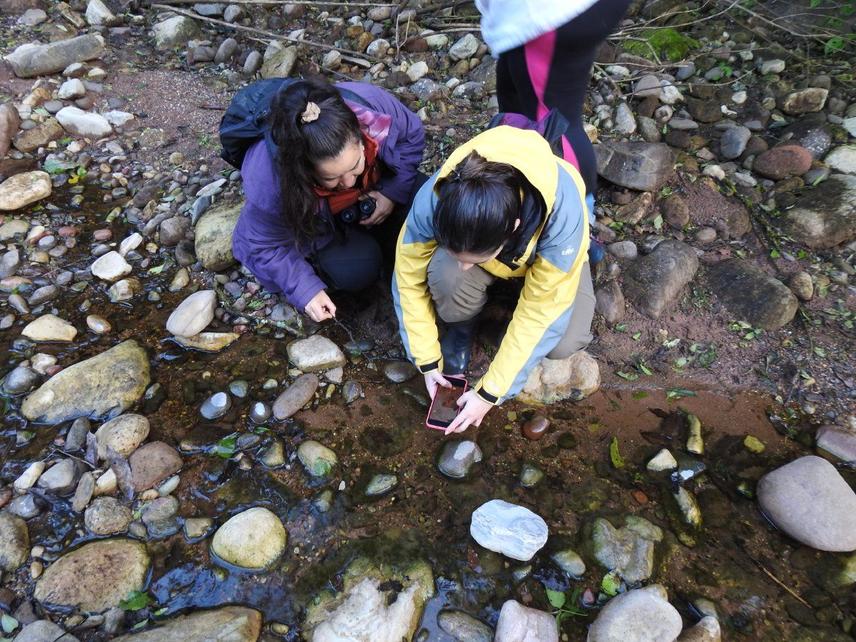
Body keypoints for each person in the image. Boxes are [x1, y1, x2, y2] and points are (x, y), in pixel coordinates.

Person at [393, 126, 595, 434]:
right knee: (446, 274)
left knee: (564, 341)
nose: (463, 267)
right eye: (457, 253)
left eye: (472, 259)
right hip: (501, 257)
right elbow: (407, 275)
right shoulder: (436, 197)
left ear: (513, 228)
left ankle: (561, 269)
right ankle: (460, 333)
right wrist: (426, 361)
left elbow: (542, 312)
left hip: (547, 263)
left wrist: (490, 393)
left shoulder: (562, 218)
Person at [232, 78, 425, 322]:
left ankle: (384, 238)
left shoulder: (373, 107)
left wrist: (391, 192)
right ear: (306, 170)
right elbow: (262, 244)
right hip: (320, 224)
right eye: (332, 178)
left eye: (355, 166)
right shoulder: (271, 182)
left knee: (427, 198)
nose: (348, 183)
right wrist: (306, 290)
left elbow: (413, 135)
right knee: (357, 270)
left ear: (361, 135)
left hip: (378, 189)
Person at [476, 0, 632, 250]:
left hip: (550, 14)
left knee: (554, 120)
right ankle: (517, 192)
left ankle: (579, 226)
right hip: (564, 12)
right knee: (515, 103)